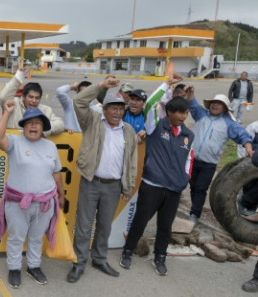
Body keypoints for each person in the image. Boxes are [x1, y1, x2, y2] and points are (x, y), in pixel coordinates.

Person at [67, 79, 138, 283]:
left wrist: (128, 186)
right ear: (104, 110)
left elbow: (131, 160)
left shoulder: (128, 132)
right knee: (83, 226)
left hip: (113, 187)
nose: (117, 112)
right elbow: (78, 102)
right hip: (91, 182)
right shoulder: (93, 122)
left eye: (120, 109)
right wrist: (102, 86)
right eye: (113, 108)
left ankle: (99, 258)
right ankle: (79, 262)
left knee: (105, 226)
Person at [119, 96, 194, 276]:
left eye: (186, 113)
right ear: (169, 112)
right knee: (140, 221)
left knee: (165, 227)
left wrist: (184, 179)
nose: (183, 117)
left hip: (174, 189)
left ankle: (160, 257)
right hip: (152, 184)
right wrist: (166, 85)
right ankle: (127, 251)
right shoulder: (156, 126)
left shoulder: (188, 135)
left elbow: (189, 160)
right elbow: (151, 103)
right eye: (179, 113)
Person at [0, 105, 65, 288]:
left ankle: (33, 266)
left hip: (44, 203)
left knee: (36, 237)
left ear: (43, 127)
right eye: (30, 123)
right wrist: (7, 113)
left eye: (38, 123)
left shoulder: (50, 146)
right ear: (24, 126)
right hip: (17, 203)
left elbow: (57, 173)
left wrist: (61, 194)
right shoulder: (15, 142)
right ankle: (14, 268)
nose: (33, 126)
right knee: (16, 237)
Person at [184, 89, 253, 223]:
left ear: (225, 108)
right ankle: (194, 208)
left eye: (219, 104)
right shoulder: (201, 115)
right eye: (213, 103)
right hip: (192, 160)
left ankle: (194, 214)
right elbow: (192, 103)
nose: (215, 105)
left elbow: (242, 135)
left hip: (209, 164)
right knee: (193, 186)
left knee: (201, 188)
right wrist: (191, 92)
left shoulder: (229, 124)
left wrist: (248, 148)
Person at [0, 68, 65, 136]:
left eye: (37, 98)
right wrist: (18, 77)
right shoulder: (13, 104)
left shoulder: (46, 110)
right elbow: (3, 97)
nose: (34, 101)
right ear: (23, 97)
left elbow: (60, 124)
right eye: (31, 97)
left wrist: (42, 129)